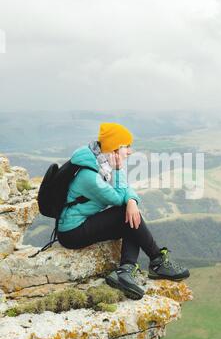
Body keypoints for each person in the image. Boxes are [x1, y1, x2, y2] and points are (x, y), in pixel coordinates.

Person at [57, 122, 190, 300]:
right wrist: (120, 173)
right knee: (125, 213)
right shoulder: (89, 176)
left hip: (83, 222)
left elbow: (125, 191)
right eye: (126, 146)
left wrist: (132, 201)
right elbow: (118, 198)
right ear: (114, 149)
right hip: (72, 232)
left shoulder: (99, 163)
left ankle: (127, 270)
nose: (130, 151)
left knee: (129, 216)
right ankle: (157, 260)